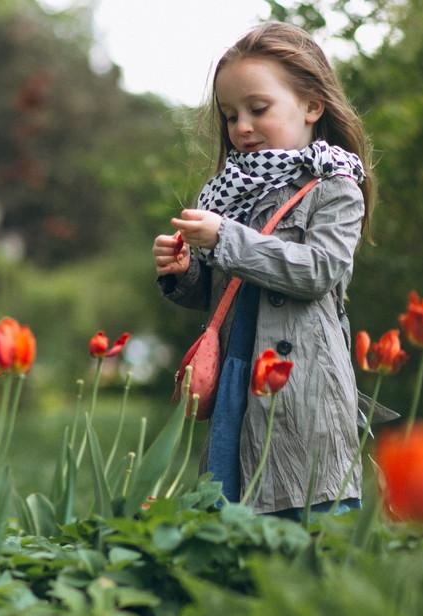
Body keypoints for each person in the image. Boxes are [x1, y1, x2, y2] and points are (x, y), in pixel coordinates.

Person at [153, 21, 375, 518]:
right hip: (238, 372)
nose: (241, 128)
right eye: (230, 115)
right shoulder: (230, 191)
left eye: (258, 109)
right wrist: (185, 271)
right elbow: (221, 292)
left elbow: (318, 271)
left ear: (312, 106)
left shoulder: (335, 187)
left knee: (304, 507)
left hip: (300, 384)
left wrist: (226, 238)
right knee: (232, 516)